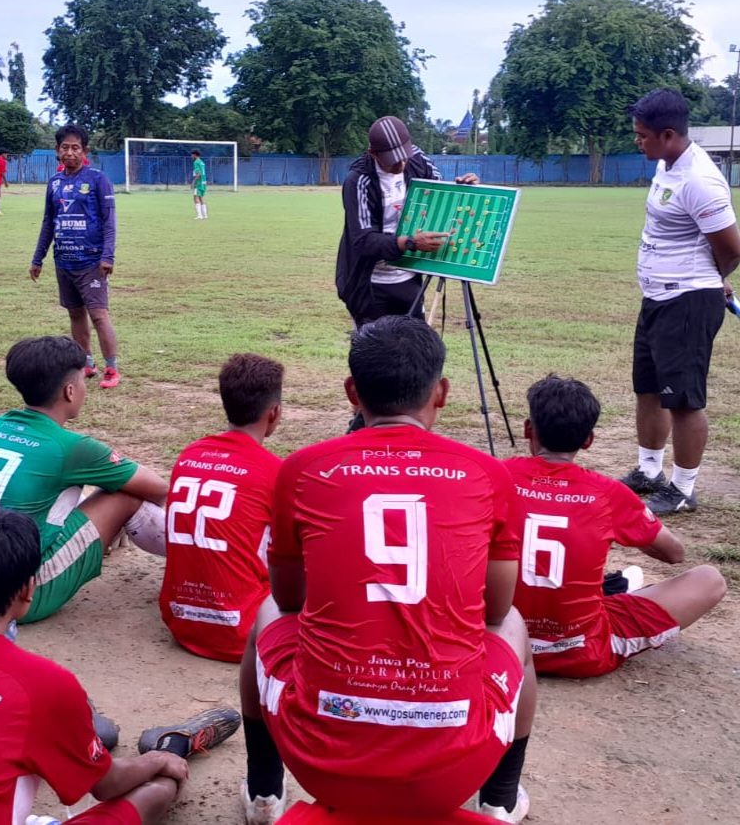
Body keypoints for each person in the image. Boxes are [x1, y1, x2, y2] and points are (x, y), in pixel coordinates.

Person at [239, 316, 535, 825]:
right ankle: (499, 796)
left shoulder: (303, 468)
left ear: (352, 392)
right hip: (454, 766)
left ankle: (264, 789)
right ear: (440, 393)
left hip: (323, 759)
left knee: (267, 611)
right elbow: (496, 608)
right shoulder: (487, 472)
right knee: (512, 626)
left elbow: (289, 601)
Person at [0, 505, 240, 825]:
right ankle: (173, 747)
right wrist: (157, 761)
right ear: (27, 591)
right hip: (43, 712)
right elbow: (106, 787)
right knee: (156, 786)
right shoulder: (42, 682)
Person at [508, 375, 726, 678]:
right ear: (588, 440)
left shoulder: (494, 476)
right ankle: (609, 593)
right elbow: (674, 553)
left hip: (496, 642)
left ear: (528, 429)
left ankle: (608, 589)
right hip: (583, 651)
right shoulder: (609, 494)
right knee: (709, 578)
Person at [0, 336, 168, 623]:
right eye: (83, 381)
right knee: (124, 493)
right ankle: (204, 559)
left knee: (64, 490)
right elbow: (159, 489)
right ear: (69, 391)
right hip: (17, 598)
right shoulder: (71, 446)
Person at [620, 88, 740, 515]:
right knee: (649, 390)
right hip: (656, 297)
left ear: (668, 134)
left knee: (685, 399)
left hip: (687, 302)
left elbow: (730, 247)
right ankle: (648, 470)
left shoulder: (700, 181)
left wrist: (713, 279)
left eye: (643, 136)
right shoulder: (667, 164)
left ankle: (684, 488)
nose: (638, 142)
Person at [159, 353, 283, 662]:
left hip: (181, 620)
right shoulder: (275, 471)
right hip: (243, 633)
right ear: (274, 413)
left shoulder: (188, 455)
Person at [335, 115, 479, 326]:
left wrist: (461, 187)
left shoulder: (417, 158)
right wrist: (410, 242)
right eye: (393, 160)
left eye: (404, 156)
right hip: (370, 284)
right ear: (373, 153)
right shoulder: (358, 181)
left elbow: (439, 193)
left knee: (413, 348)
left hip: (408, 278)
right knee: (373, 352)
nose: (402, 164)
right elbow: (363, 240)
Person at [30, 125, 122, 389]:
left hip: (91, 261)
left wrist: (108, 256)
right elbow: (49, 222)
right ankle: (87, 363)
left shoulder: (97, 179)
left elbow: (109, 220)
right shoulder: (54, 183)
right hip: (64, 260)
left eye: (75, 148)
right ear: (57, 151)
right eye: (65, 148)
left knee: (99, 315)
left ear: (85, 151)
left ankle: (112, 369)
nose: (70, 153)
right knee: (75, 314)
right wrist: (38, 258)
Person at [191, 148, 208, 220]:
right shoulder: (202, 162)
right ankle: (205, 215)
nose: (191, 156)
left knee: (195, 197)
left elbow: (198, 174)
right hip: (203, 182)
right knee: (201, 197)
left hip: (198, 182)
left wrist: (193, 182)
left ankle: (199, 215)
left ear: (194, 155)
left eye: (192, 155)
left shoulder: (196, 162)